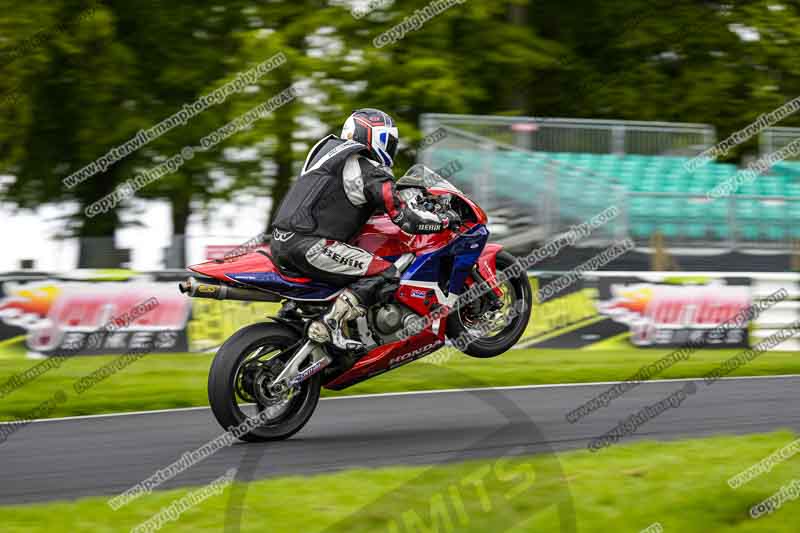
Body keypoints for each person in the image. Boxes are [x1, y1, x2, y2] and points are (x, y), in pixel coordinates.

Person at [270, 108, 452, 352]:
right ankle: (331, 323)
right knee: (385, 273)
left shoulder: (326, 156)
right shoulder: (369, 171)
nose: (391, 149)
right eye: (389, 142)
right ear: (373, 138)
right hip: (312, 246)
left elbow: (343, 203)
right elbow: (405, 219)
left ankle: (293, 316)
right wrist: (443, 221)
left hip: (280, 242)